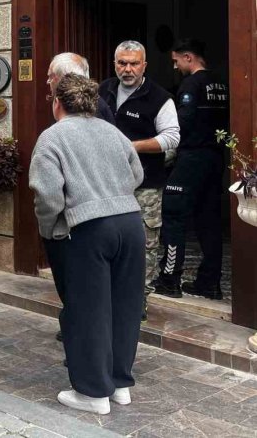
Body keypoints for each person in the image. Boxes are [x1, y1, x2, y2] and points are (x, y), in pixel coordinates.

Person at [30, 74, 145, 415]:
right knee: (125, 305)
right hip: (130, 222)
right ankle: (120, 383)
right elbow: (136, 173)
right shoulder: (113, 132)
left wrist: (50, 229)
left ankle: (93, 393)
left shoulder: (52, 138)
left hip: (87, 227)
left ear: (57, 103)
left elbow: (48, 195)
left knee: (88, 309)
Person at [98, 41, 179, 311]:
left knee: (144, 243)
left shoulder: (160, 97)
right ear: (115, 64)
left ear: (144, 65)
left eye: (134, 63)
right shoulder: (103, 90)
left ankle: (138, 301)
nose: (128, 69)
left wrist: (132, 147)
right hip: (105, 184)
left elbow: (171, 138)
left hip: (145, 185)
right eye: (122, 63)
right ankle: (108, 297)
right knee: (106, 239)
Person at [153, 39, 229, 299]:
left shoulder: (191, 84)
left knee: (173, 214)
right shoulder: (221, 81)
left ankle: (170, 279)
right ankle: (210, 283)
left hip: (191, 158)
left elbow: (181, 123)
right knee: (209, 220)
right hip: (216, 158)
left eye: (176, 61)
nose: (175, 66)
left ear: (188, 57)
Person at [46, 53, 112, 344]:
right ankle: (75, 325)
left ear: (62, 79)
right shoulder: (88, 109)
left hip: (80, 216)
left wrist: (47, 225)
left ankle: (83, 338)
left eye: (51, 76)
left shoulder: (93, 113)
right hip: (86, 211)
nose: (47, 82)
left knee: (80, 281)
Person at [48, 52, 114, 123]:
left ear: (65, 78)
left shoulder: (91, 107)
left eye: (51, 77)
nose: (48, 81)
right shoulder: (83, 101)